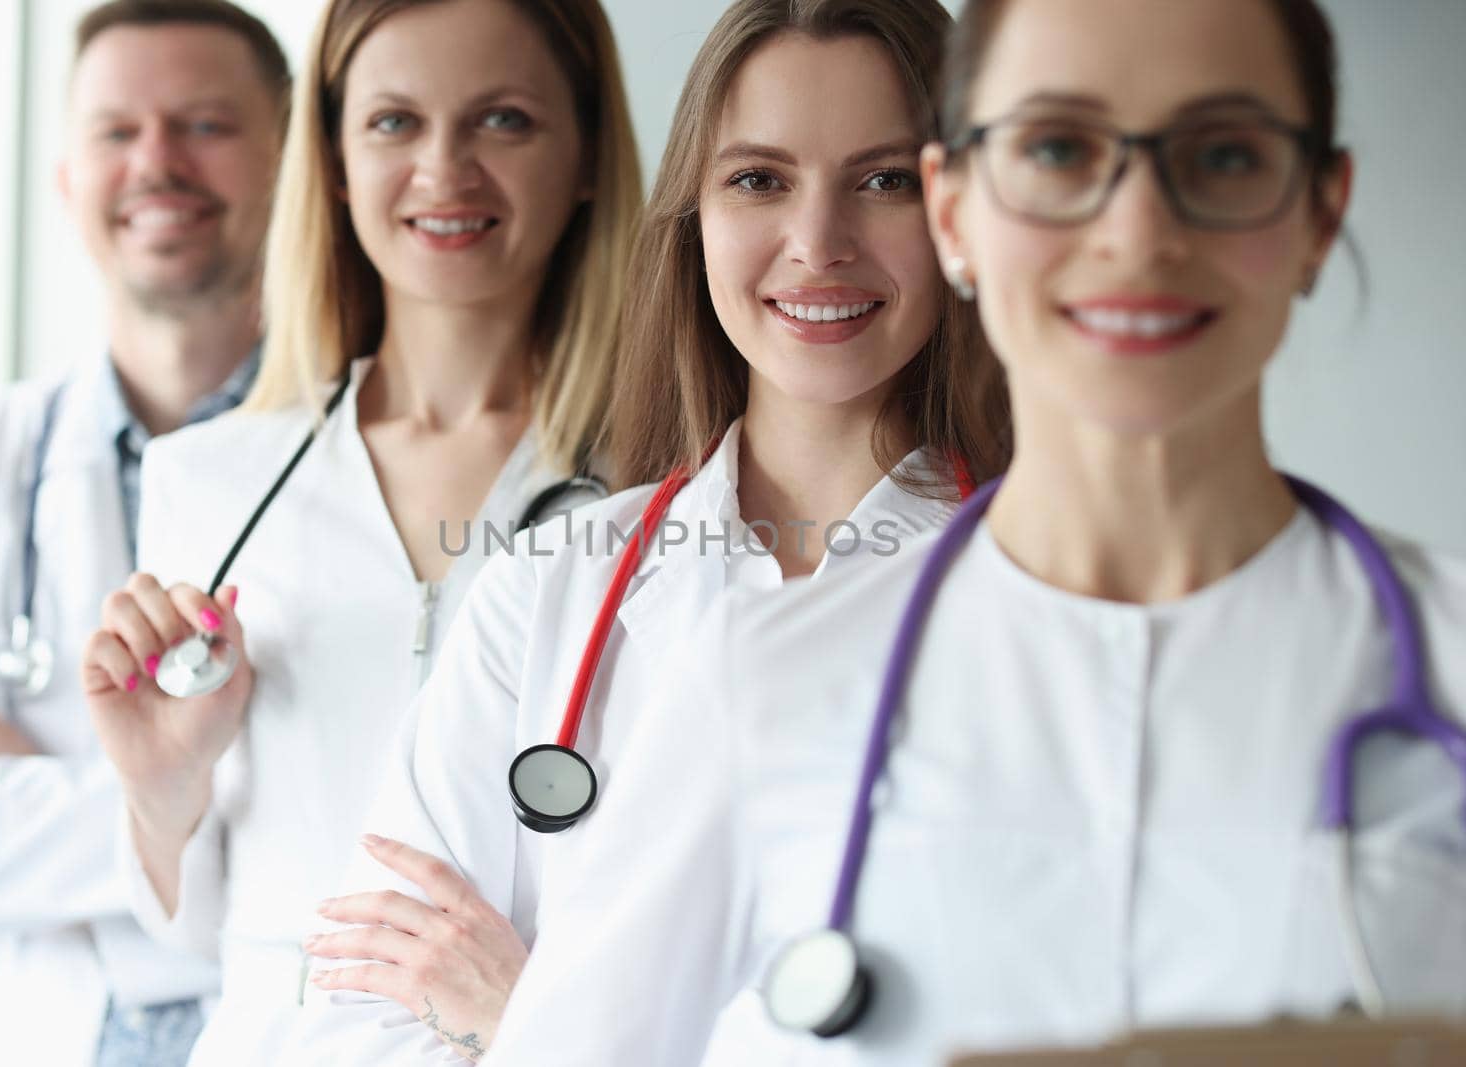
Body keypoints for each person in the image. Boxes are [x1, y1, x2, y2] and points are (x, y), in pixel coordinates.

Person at [479, 0, 1466, 1064]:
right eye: (1054, 149)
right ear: (955, 213)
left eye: (1222, 154)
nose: (1134, 230)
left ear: (1322, 210)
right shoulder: (763, 678)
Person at [280, 0, 1009, 1061]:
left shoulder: (1041, 594)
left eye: (883, 179)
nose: (817, 243)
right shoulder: (554, 584)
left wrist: (530, 1014)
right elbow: (356, 1020)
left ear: (957, 211)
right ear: (695, 214)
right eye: (758, 178)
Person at [78, 0, 643, 1063]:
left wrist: (544, 1005)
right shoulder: (210, 481)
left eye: (504, 120)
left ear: (585, 157)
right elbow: (187, 937)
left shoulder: (666, 490)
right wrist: (161, 784)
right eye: (393, 123)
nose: (444, 170)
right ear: (333, 161)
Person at [0, 2, 289, 1065]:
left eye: (203, 124)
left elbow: (355, 842)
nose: (156, 162)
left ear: (297, 163)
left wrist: (30, 765)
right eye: (115, 131)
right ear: (65, 179)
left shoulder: (356, 455)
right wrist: (167, 791)